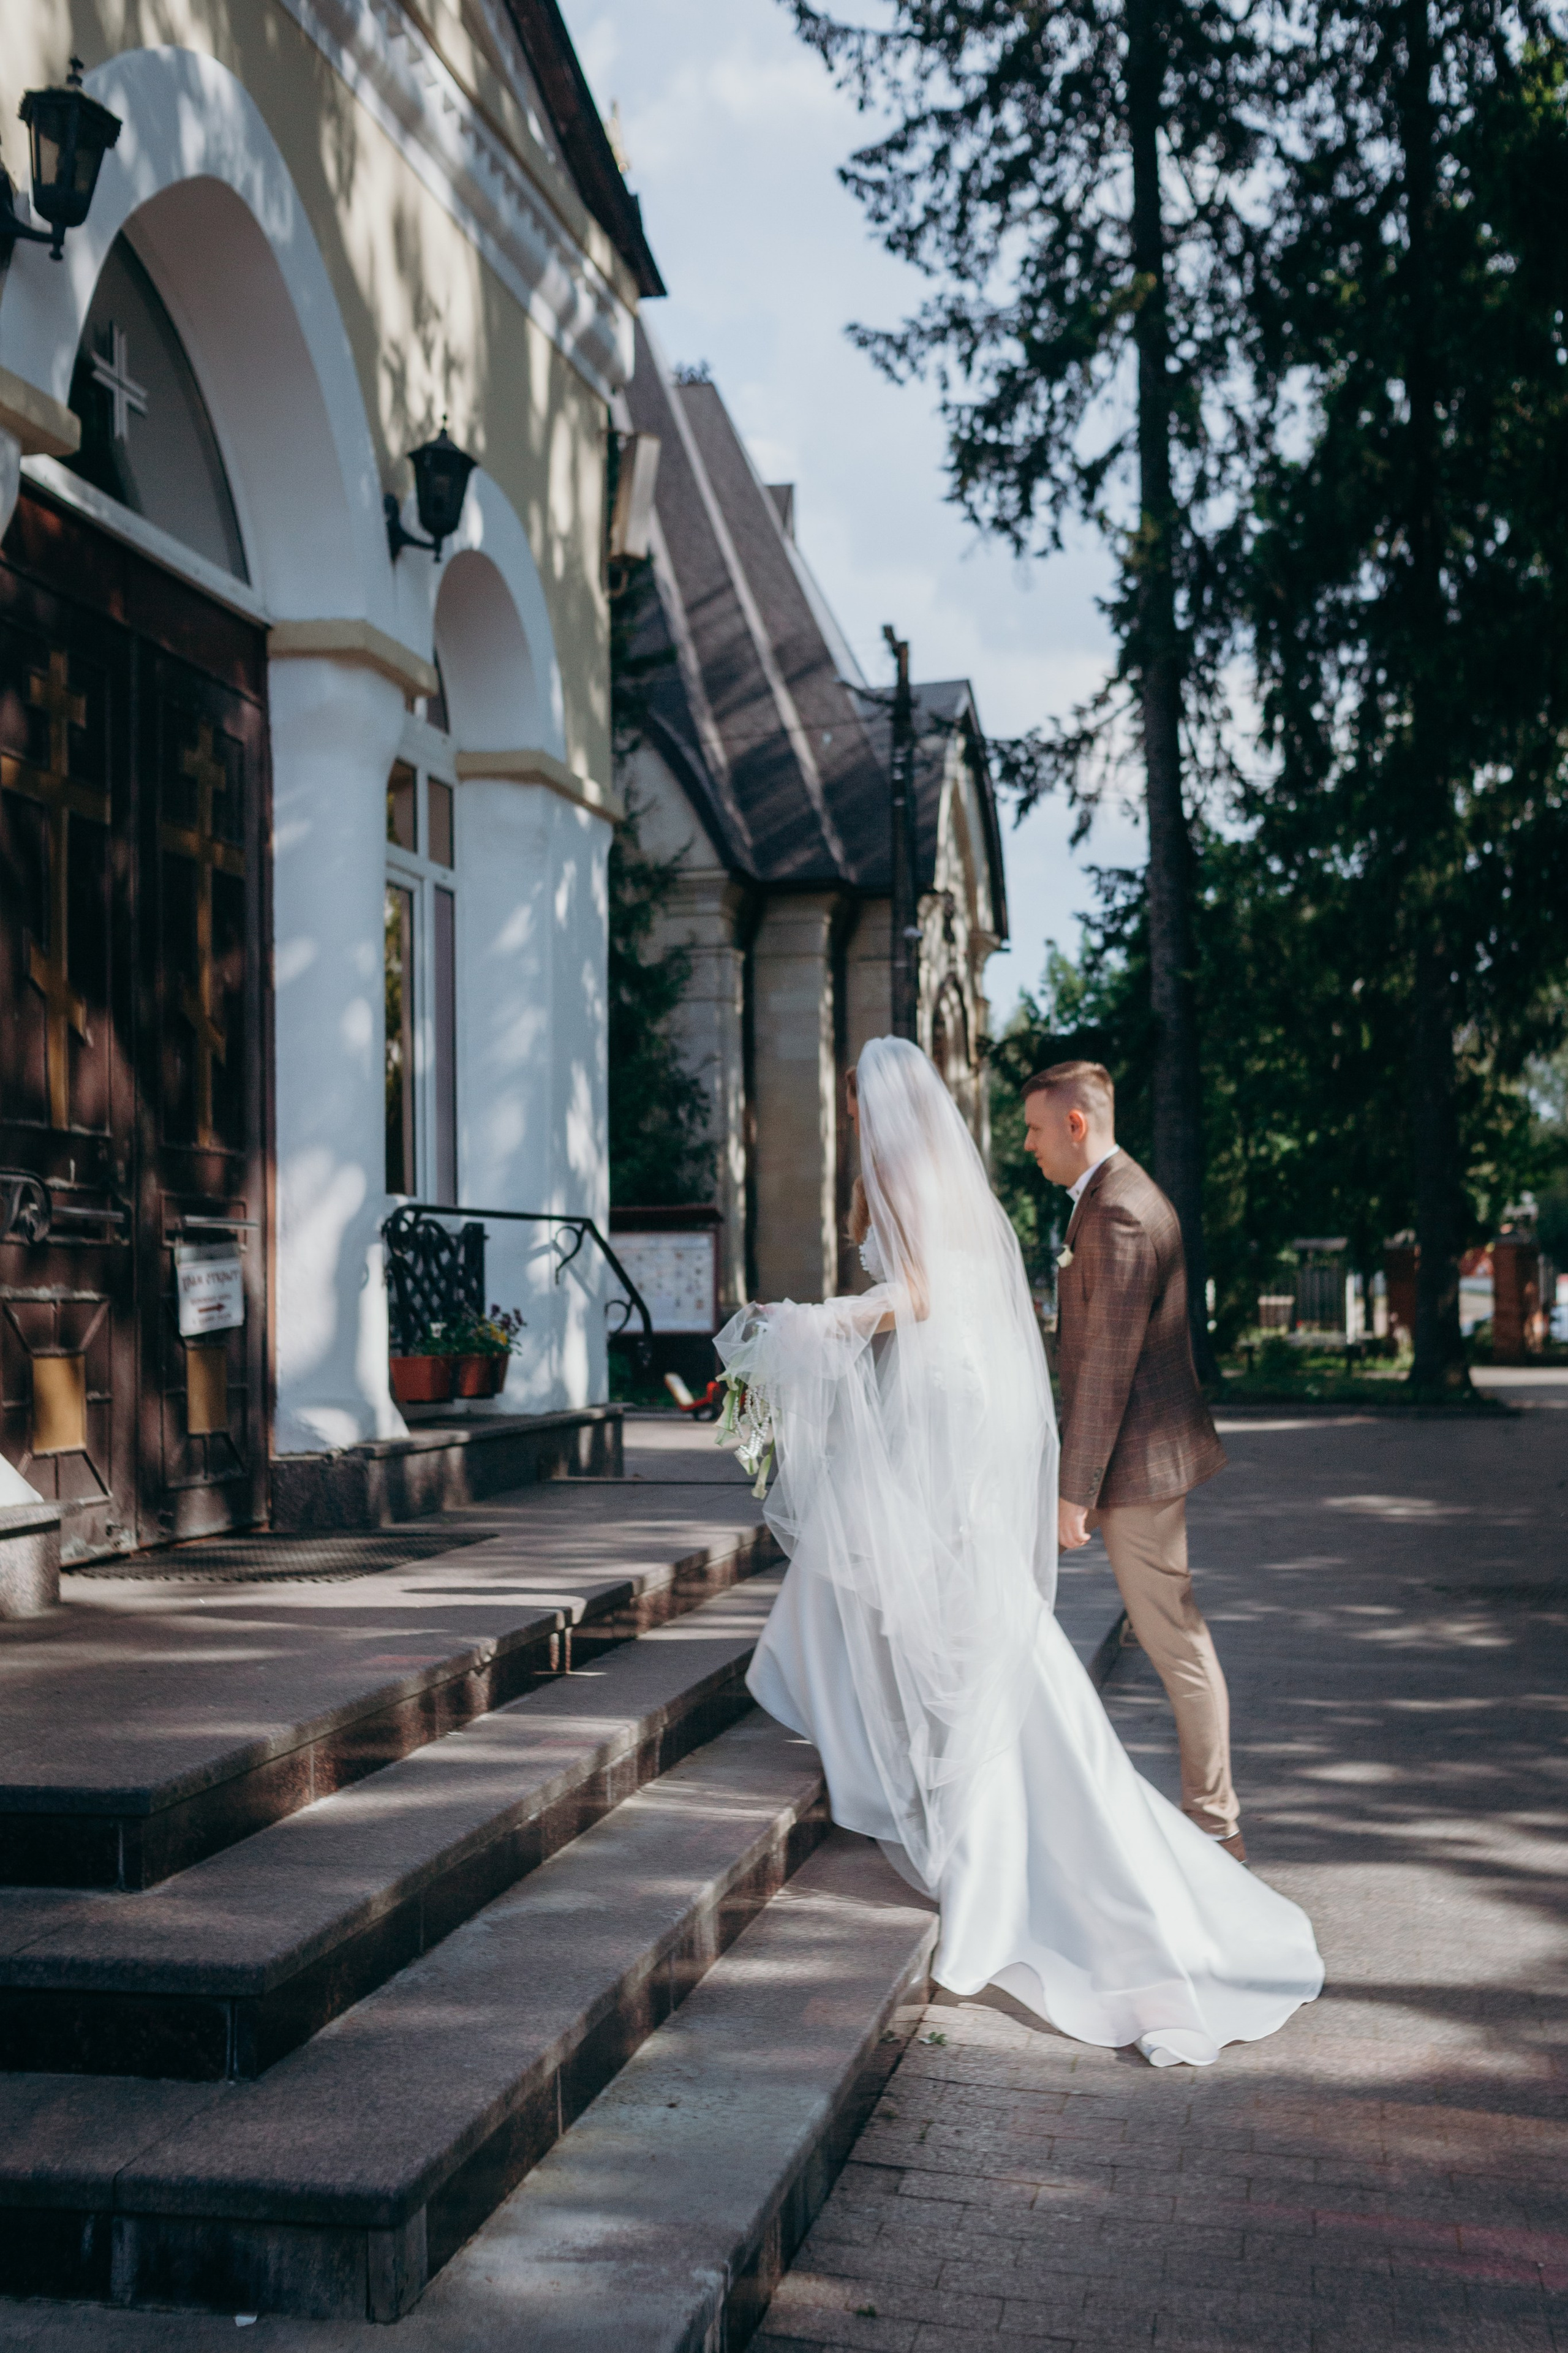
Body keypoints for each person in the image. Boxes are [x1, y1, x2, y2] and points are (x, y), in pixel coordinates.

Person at [718, 1035, 1321, 2068]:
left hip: (991, 1419)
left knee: (981, 1604)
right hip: (961, 1399)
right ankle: (891, 1738)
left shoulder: (1056, 1197)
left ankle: (1164, 1820)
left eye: (858, 1099)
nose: (855, 1114)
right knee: (902, 1584)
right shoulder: (967, 1180)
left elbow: (940, 1304)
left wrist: (821, 1322)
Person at [1022, 1060, 1244, 1859]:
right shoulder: (1110, 1198)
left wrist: (1073, 1494)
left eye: (1037, 1129)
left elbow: (1108, 1367)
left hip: (1138, 1469)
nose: (1029, 1146)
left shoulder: (1118, 1211)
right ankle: (1212, 1818)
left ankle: (1217, 1826)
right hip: (1135, 1459)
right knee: (1174, 1637)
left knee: (1176, 1640)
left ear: (1076, 1124)